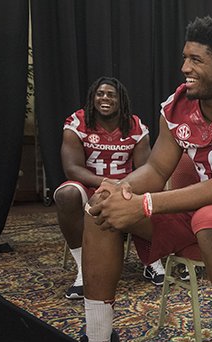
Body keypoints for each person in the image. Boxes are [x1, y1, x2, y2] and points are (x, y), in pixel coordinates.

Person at [22, 16, 212, 342]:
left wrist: (145, 203)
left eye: (195, 60)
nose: (184, 68)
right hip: (194, 205)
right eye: (184, 57)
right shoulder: (177, 104)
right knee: (103, 211)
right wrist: (121, 191)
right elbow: (158, 168)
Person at [53, 77, 164, 300]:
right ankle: (84, 268)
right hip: (89, 184)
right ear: (92, 98)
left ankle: (151, 259)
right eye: (100, 94)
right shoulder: (78, 122)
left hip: (125, 185)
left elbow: (146, 168)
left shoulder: (136, 126)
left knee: (147, 196)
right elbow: (72, 168)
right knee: (66, 195)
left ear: (121, 100)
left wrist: (123, 186)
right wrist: (104, 183)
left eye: (111, 95)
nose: (105, 98)